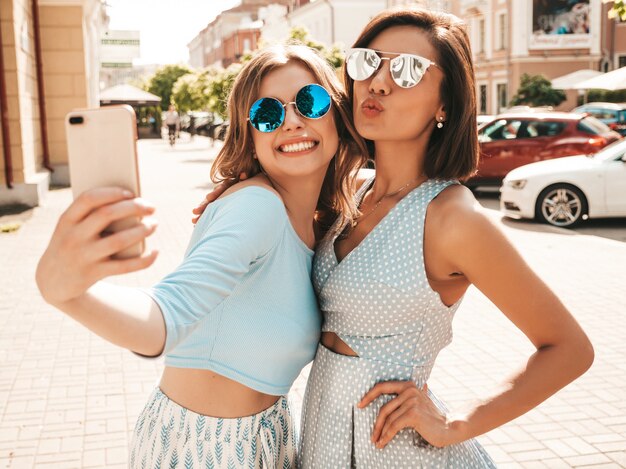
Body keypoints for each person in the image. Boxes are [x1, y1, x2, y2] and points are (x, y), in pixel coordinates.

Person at [194, 7, 594, 469]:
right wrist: (243, 190)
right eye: (369, 62)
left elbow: (569, 349)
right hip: (324, 441)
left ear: (445, 103)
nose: (379, 82)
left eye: (407, 70)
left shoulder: (452, 217)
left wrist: (458, 423)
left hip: (401, 454)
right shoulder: (349, 197)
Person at [36, 44, 366, 468]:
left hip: (268, 439)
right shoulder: (257, 208)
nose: (292, 123)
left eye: (311, 102)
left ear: (337, 113)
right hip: (208, 448)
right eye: (268, 113)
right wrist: (67, 294)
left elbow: (396, 185)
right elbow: (168, 312)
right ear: (249, 134)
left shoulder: (318, 217)